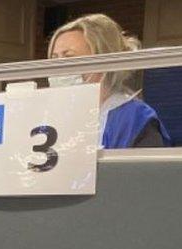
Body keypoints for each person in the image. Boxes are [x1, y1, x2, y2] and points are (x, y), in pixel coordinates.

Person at [48, 14, 171, 149]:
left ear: (102, 60)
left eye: (69, 57)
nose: (58, 67)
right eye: (55, 59)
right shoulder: (54, 116)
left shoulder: (135, 119)